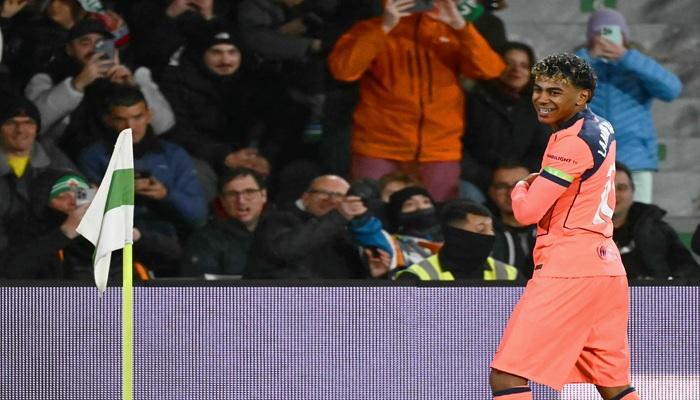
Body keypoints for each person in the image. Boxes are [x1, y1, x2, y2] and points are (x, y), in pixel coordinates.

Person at [489, 54, 639, 400]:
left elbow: (527, 212)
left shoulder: (572, 142)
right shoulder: (601, 127)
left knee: (507, 377)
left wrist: (522, 186)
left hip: (569, 269)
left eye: (555, 92)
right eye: (538, 89)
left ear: (582, 96)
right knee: (613, 384)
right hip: (606, 269)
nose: (542, 99)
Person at [328, 0, 505, 201]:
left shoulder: (452, 30)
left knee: (438, 212)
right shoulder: (370, 28)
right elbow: (343, 70)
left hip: (439, 147)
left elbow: (490, 71)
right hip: (379, 144)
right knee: (370, 209)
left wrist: (460, 26)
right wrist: (384, 26)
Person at [78, 84, 204, 275]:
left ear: (149, 115)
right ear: (108, 120)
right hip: (116, 247)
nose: (130, 127)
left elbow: (197, 214)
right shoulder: (93, 157)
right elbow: (85, 213)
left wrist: (165, 195)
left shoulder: (173, 155)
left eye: (137, 117)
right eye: (121, 119)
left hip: (170, 242)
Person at [575, 8, 682, 204]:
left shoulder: (636, 65)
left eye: (613, 33)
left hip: (635, 160)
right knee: (589, 218)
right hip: (589, 159)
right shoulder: (581, 64)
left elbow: (672, 90)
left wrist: (627, 57)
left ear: (624, 36)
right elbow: (555, 88)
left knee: (639, 218)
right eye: (600, 33)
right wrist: (588, 57)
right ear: (590, 38)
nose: (606, 39)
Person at [24, 18, 174, 153]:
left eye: (101, 43)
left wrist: (132, 89)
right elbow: (34, 123)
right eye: (85, 43)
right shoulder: (49, 76)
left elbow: (163, 125)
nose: (94, 50)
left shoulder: (132, 75)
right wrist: (77, 85)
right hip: (68, 157)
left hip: (124, 155)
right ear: (69, 49)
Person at [158, 22, 270, 176]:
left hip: (250, 155)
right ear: (202, 54)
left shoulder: (256, 81)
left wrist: (263, 156)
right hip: (201, 158)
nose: (225, 60)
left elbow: (272, 126)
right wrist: (224, 156)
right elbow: (179, 132)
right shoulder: (178, 83)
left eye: (232, 52)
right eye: (216, 52)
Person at [460, 41, 548, 203]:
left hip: (523, 178)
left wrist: (522, 174)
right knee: (469, 197)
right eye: (508, 63)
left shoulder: (540, 106)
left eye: (524, 65)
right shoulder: (474, 100)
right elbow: (460, 147)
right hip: (479, 179)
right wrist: (488, 178)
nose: (516, 70)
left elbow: (545, 150)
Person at [245, 174, 369, 278]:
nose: (331, 200)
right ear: (305, 198)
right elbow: (286, 251)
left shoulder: (352, 231)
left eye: (339, 196)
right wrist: (338, 216)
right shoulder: (278, 219)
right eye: (323, 193)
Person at [0, 93, 75, 254]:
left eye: (28, 123)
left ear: (37, 128)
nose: (20, 130)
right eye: (11, 123)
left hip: (54, 246)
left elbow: (79, 188)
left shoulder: (53, 157)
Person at [612, 161, 700, 280]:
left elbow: (689, 268)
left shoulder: (657, 229)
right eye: (608, 188)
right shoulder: (586, 232)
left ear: (633, 191)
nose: (614, 194)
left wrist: (669, 284)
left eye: (621, 188)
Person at [395, 198, 520, 281]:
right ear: (456, 235)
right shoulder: (416, 276)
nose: (490, 235)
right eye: (481, 230)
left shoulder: (509, 274)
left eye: (491, 229)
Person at [181, 167, 268, 277]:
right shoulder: (204, 241)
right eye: (232, 194)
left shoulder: (282, 231)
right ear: (222, 201)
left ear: (263, 195)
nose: (241, 201)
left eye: (249, 192)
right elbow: (199, 286)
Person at [487, 164, 536, 279]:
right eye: (502, 186)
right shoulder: (485, 235)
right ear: (491, 192)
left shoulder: (554, 230)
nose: (511, 193)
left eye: (520, 185)